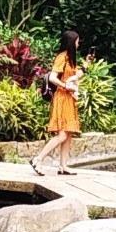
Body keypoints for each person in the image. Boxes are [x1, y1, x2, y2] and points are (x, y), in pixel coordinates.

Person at [31, 30, 82, 175]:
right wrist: (65, 86)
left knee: (69, 132)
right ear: (72, 42)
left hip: (69, 98)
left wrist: (86, 65)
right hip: (62, 98)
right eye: (77, 41)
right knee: (62, 135)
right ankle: (38, 159)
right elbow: (53, 77)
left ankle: (63, 166)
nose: (78, 44)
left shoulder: (70, 59)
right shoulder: (62, 58)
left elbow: (76, 76)